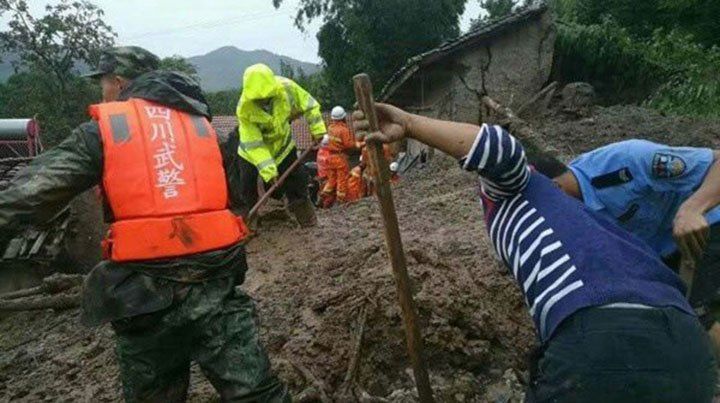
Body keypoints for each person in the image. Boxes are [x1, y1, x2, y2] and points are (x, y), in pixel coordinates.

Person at [353, 103, 717, 402]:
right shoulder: (599, 225)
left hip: (600, 336)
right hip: (688, 348)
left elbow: (499, 148)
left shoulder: (516, 189)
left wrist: (410, 124)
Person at [0, 46, 290, 402]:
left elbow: (27, 195)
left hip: (146, 296)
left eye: (103, 83)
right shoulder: (202, 127)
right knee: (258, 395)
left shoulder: (105, 130)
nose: (102, 92)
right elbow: (231, 197)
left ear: (119, 82)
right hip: (217, 283)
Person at [537, 140, 720, 354]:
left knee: (701, 320)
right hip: (662, 258)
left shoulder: (624, 161)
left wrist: (692, 209)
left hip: (707, 225)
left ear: (555, 188)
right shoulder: (570, 222)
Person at [235, 63, 326, 228]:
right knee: (247, 186)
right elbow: (254, 145)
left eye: (266, 97)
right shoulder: (244, 108)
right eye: (258, 99)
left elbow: (310, 105)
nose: (263, 101)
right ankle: (249, 225)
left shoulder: (287, 87)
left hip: (283, 146)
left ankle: (307, 221)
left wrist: (317, 129)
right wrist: (269, 171)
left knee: (297, 181)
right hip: (251, 153)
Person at [319, 106, 355, 207]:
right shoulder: (343, 130)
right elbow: (348, 145)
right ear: (343, 117)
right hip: (339, 157)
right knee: (342, 179)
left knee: (332, 180)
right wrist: (357, 144)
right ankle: (340, 201)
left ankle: (323, 195)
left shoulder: (330, 128)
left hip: (330, 157)